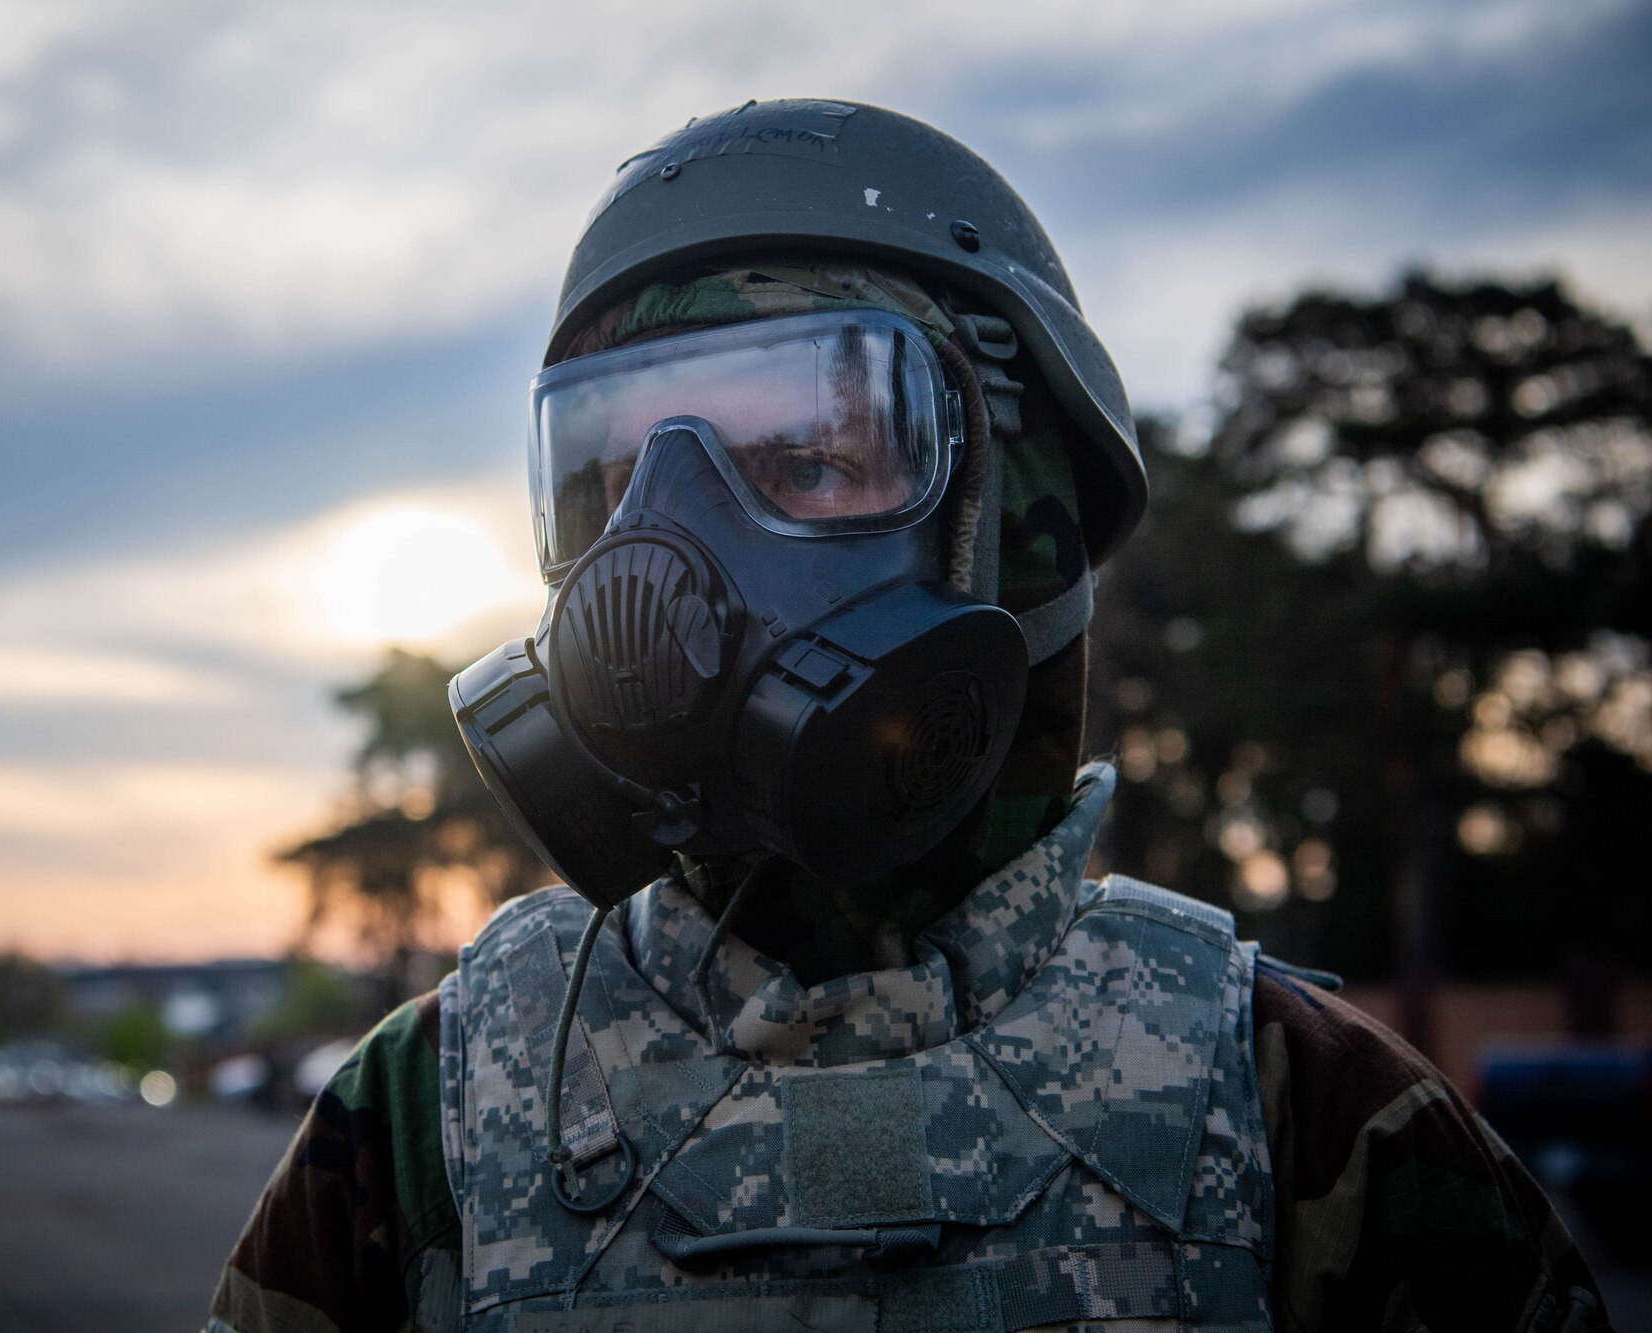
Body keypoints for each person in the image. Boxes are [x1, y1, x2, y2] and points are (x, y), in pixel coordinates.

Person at [208, 100, 1610, 1333]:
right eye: (618, 477)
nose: (667, 550)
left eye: (810, 455)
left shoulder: (1309, 1111)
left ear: (1024, 530)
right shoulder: (423, 1117)